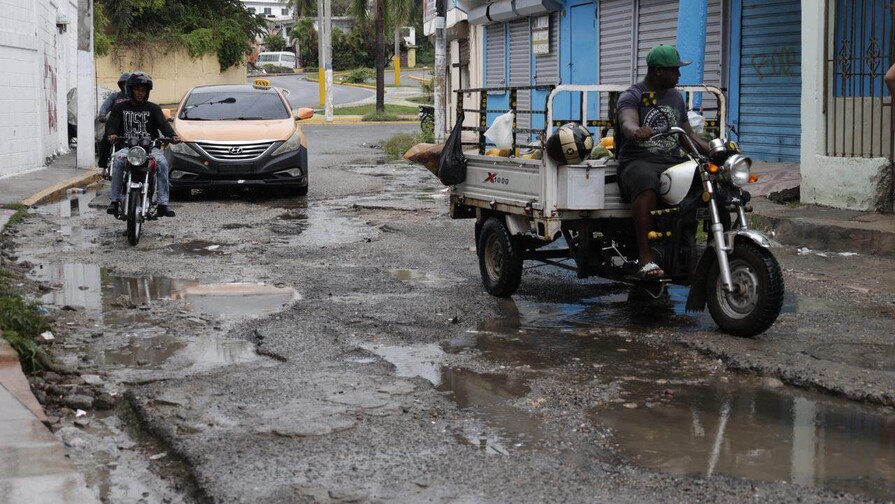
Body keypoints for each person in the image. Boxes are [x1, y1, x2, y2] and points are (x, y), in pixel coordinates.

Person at [615, 45, 709, 280]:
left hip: (671, 160)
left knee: (708, 178)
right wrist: (636, 130)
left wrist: (714, 151)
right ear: (658, 71)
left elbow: (687, 136)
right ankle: (646, 259)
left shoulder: (675, 97)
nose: (678, 75)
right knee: (646, 182)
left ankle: (694, 249)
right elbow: (627, 120)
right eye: (674, 70)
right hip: (639, 160)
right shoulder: (632, 95)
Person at [105, 71, 180, 218]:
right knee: (118, 162)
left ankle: (163, 204)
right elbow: (112, 125)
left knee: (163, 163)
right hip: (127, 147)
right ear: (130, 90)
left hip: (150, 147)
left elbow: (163, 124)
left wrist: (172, 135)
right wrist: (112, 134)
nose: (140, 93)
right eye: (137, 90)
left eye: (143, 91)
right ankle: (114, 201)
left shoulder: (153, 108)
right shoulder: (119, 107)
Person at [96, 73, 131, 168]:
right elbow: (106, 105)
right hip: (114, 126)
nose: (126, 86)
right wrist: (102, 115)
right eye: (124, 84)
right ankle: (102, 165)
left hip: (131, 127)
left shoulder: (136, 98)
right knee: (105, 142)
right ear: (121, 85)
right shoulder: (115, 96)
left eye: (128, 84)